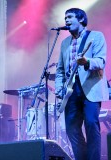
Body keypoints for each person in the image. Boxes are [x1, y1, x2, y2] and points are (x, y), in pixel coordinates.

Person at [55, 8, 109, 160]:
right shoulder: (65, 43)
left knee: (91, 124)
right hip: (71, 91)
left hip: (90, 88)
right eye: (65, 17)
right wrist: (59, 87)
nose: (66, 20)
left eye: (70, 17)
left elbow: (101, 61)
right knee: (71, 129)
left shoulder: (96, 36)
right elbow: (60, 70)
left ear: (81, 19)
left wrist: (87, 62)